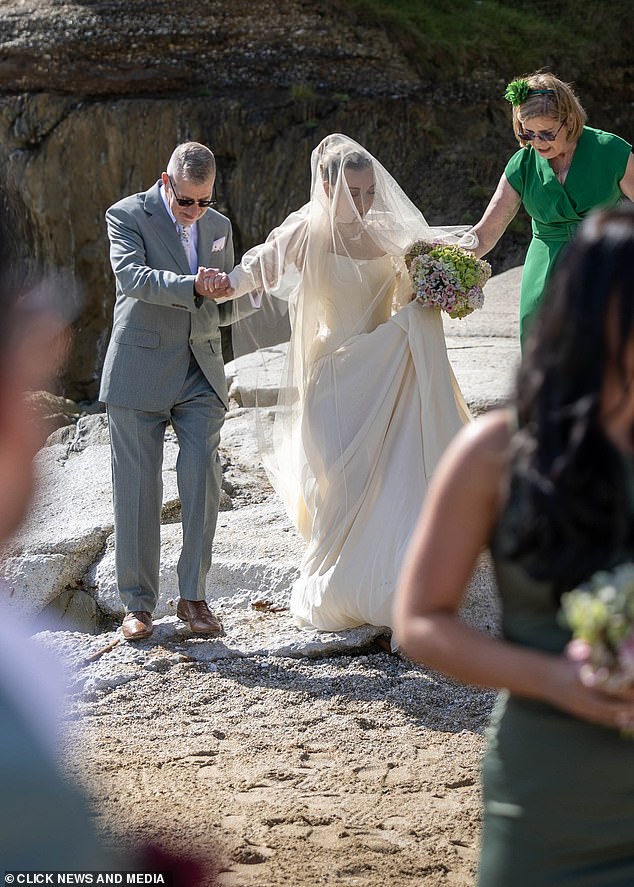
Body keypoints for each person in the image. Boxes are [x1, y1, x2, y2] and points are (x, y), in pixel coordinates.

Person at [394, 204, 634, 885]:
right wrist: (554, 677)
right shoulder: (495, 451)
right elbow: (420, 621)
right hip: (548, 806)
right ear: (597, 314)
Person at [220, 133, 471, 634]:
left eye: (368, 192)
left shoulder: (388, 233)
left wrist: (450, 280)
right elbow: (258, 266)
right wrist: (221, 284)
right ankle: (338, 578)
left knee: (393, 480)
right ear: (327, 188)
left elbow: (430, 267)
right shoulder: (305, 232)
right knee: (340, 488)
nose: (362, 202)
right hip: (333, 376)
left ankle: (391, 579)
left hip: (382, 368)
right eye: (351, 193)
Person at [100, 141, 255, 641]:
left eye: (204, 201)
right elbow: (133, 278)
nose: (195, 211)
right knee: (138, 490)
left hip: (200, 370)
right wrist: (195, 283)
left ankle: (194, 597)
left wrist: (251, 293)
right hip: (138, 369)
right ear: (166, 183)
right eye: (187, 200)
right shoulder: (125, 214)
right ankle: (138, 606)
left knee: (201, 480)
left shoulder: (219, 228)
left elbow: (218, 304)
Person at [467, 70, 634, 346]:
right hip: (544, 270)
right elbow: (485, 234)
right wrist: (444, 261)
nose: (537, 142)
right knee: (541, 351)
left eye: (546, 133)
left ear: (569, 121)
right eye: (527, 133)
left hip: (603, 263)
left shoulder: (611, 151)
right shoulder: (522, 164)